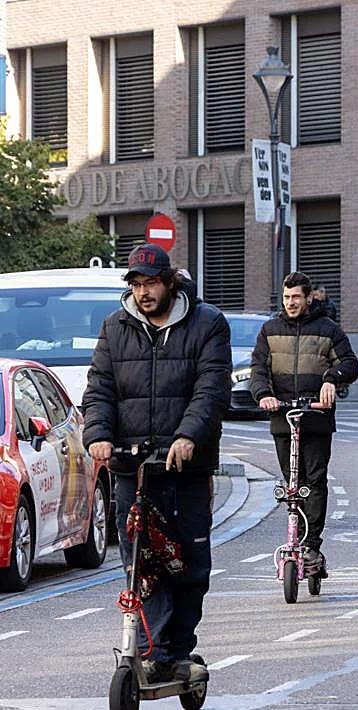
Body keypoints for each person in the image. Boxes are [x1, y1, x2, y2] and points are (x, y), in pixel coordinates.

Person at [83, 243, 231, 685]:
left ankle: (177, 648)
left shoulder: (207, 324)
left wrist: (188, 436)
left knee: (187, 562)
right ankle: (153, 650)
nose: (143, 293)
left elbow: (211, 389)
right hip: (132, 466)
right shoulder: (116, 327)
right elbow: (100, 390)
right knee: (138, 563)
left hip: (185, 466)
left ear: (169, 282)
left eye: (150, 283)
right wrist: (99, 436)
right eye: (136, 284)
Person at [250, 272, 358, 578]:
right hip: (283, 417)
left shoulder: (328, 329)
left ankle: (311, 544)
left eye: (296, 297)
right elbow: (258, 368)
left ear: (308, 298)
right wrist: (264, 394)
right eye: (286, 298)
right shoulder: (269, 330)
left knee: (314, 482)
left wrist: (331, 379)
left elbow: (350, 363)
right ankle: (293, 539)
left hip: (316, 416)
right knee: (291, 485)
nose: (291, 303)